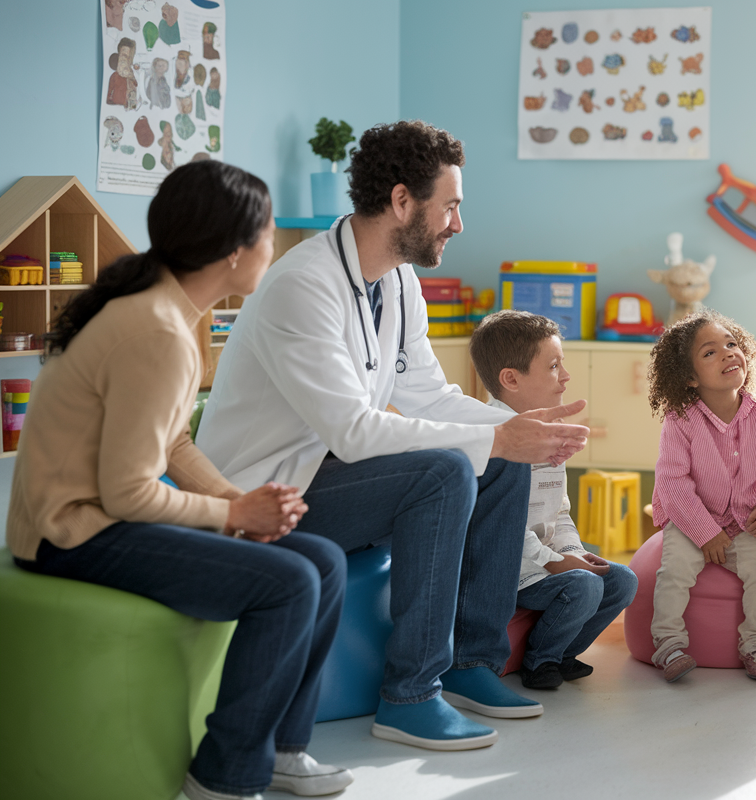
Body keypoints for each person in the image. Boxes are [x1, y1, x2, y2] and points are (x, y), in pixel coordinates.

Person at [195, 121, 589, 752]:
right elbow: (353, 430)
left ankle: (473, 663)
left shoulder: (399, 282)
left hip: (328, 475)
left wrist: (514, 430)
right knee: (447, 470)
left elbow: (428, 394)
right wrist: (495, 440)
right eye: (450, 206)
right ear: (403, 201)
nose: (458, 224)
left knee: (501, 456)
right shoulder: (306, 285)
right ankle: (410, 696)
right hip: (265, 492)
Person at [6, 161, 353, 800]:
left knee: (325, 562)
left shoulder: (165, 308)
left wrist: (234, 499)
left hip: (101, 514)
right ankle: (224, 774)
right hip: (71, 531)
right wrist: (232, 518)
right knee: (289, 581)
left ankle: (282, 748)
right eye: (268, 233)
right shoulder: (157, 329)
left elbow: (173, 441)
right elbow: (128, 493)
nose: (272, 247)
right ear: (232, 250)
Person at [469, 310, 639, 690]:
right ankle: (540, 661)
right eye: (553, 366)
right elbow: (503, 527)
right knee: (585, 586)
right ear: (511, 379)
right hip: (511, 571)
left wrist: (574, 552)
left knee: (623, 579)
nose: (565, 376)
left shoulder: (546, 435)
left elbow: (559, 510)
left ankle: (562, 653)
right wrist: (559, 562)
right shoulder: (492, 439)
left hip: (546, 563)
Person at [647, 311, 756, 683]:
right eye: (711, 352)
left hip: (744, 518)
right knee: (675, 570)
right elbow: (673, 483)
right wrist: (704, 533)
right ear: (689, 377)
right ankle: (667, 643)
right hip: (689, 518)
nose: (729, 354)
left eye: (732, 344)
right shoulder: (680, 419)